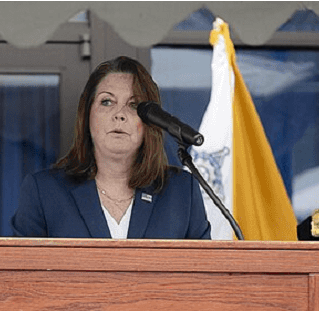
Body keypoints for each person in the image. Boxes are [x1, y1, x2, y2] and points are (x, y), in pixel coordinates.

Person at [11, 55, 210, 239]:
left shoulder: (183, 192)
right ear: (87, 116)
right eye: (107, 102)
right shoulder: (44, 192)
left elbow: (206, 274)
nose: (119, 114)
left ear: (149, 122)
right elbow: (18, 274)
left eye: (133, 105)